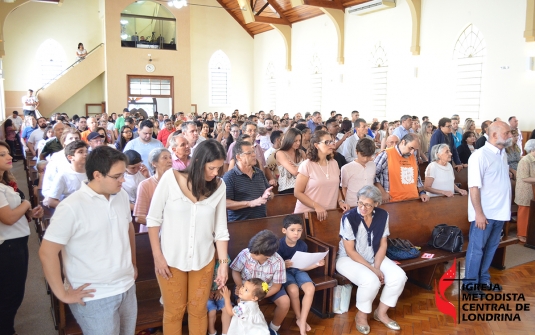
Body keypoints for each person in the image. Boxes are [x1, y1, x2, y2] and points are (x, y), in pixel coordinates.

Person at [39, 146, 138, 334]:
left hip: (126, 287)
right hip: (94, 294)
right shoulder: (72, 206)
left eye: (123, 174)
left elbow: (128, 229)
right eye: (117, 176)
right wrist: (62, 293)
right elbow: (47, 252)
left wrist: (132, 264)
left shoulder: (121, 196)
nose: (123, 180)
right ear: (97, 175)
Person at [146, 140, 229, 335]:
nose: (215, 173)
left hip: (204, 259)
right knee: (174, 312)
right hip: (170, 260)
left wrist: (223, 263)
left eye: (219, 168)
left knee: (198, 311)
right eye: (211, 168)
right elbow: (153, 219)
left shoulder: (219, 186)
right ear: (198, 161)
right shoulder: (170, 179)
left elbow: (221, 229)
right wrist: (157, 257)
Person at [336, 185, 406, 334]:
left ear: (376, 204)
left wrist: (378, 266)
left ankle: (381, 313)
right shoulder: (348, 217)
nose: (362, 207)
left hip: (374, 256)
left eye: (367, 204)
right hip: (348, 259)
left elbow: (383, 244)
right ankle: (361, 316)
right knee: (371, 280)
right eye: (360, 203)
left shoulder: (383, 215)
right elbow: (350, 250)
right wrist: (373, 269)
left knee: (399, 277)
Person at [463, 121, 512, 295]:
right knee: (476, 249)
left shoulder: (502, 153)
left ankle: (483, 279)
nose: (510, 136)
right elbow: (474, 187)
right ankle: (470, 284)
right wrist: (478, 213)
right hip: (484, 213)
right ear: (494, 135)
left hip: (500, 211)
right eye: (507, 133)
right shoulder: (479, 156)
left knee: (491, 248)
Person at [0, 141, 44, 335]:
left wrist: (30, 214)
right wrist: (26, 204)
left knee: (14, 293)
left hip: (16, 243)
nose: (9, 156)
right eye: (2, 155)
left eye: (8, 153)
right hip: (8, 247)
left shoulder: (5, 183)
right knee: (10, 295)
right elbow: (8, 218)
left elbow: (12, 214)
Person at [228, 230, 289, 335]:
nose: (251, 254)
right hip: (245, 287)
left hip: (267, 289)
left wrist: (259, 296)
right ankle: (246, 330)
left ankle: (273, 329)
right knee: (240, 303)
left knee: (285, 302)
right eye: (251, 250)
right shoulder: (245, 253)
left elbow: (276, 286)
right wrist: (240, 286)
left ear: (268, 256)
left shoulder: (278, 262)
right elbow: (235, 270)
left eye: (255, 254)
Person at [278, 215, 324, 335]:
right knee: (293, 290)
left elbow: (303, 266)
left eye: (299, 230)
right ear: (284, 230)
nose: (296, 233)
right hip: (284, 272)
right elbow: (273, 266)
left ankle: (303, 321)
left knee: (310, 288)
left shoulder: (303, 245)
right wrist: (283, 264)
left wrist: (316, 264)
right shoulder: (279, 245)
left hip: (298, 270)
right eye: (292, 230)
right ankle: (299, 318)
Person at [294, 130, 350, 221]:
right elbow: (297, 192)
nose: (332, 144)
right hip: (308, 215)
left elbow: (335, 187)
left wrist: (340, 202)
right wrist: (316, 206)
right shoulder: (307, 165)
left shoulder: (334, 163)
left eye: (332, 141)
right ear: (316, 145)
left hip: (328, 213)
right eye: (327, 142)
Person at [223, 140, 274, 222]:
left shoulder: (259, 172)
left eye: (253, 152)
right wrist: (250, 203)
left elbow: (270, 193)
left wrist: (268, 195)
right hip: (240, 225)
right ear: (238, 157)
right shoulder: (229, 177)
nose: (254, 155)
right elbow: (225, 203)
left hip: (261, 221)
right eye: (249, 153)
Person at [374, 133, 429, 203]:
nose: (412, 152)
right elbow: (373, 175)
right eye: (411, 148)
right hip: (392, 201)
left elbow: (417, 178)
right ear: (403, 142)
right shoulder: (386, 154)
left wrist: (422, 193)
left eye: (415, 150)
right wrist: (382, 193)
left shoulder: (413, 157)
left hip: (413, 199)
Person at [133, 148, 172, 233]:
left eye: (170, 157)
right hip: (152, 233)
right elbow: (139, 217)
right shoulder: (145, 185)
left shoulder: (176, 183)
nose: (170, 161)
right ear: (154, 163)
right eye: (165, 158)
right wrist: (163, 224)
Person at [47, 140, 89, 208]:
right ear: (70, 157)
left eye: (86, 151)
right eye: (80, 152)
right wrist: (70, 208)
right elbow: (51, 201)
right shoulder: (63, 175)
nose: (85, 154)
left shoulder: (93, 172)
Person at [341, 138, 376, 207]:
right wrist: (347, 203)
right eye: (363, 155)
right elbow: (344, 188)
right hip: (352, 204)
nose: (365, 159)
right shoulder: (347, 168)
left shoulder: (373, 165)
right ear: (356, 152)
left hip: (369, 204)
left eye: (369, 156)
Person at [514, 140, 535, 243]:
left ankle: (530, 233)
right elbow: (524, 178)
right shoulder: (525, 160)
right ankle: (521, 234)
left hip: (533, 189)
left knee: (532, 212)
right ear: (532, 149)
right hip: (525, 190)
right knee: (524, 211)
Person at [207, 254, 232, 335]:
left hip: (219, 288)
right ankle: (212, 332)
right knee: (212, 310)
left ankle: (226, 332)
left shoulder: (224, 258)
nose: (219, 253)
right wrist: (206, 292)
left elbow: (225, 275)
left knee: (226, 308)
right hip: (205, 292)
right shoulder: (205, 259)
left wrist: (220, 288)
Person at [275, 128, 306, 195]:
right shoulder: (280, 153)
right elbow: (294, 171)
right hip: (287, 189)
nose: (298, 143)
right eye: (295, 141)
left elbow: (309, 169)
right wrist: (304, 166)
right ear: (289, 140)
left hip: (303, 186)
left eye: (299, 140)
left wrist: (297, 167)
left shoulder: (302, 152)